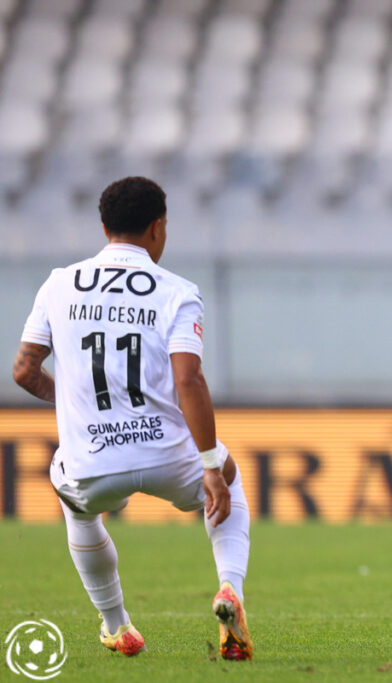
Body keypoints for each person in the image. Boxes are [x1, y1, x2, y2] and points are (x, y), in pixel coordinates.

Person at [12, 177, 254, 661]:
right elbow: (189, 380)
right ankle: (230, 589)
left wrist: (75, 403)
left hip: (92, 460)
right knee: (231, 481)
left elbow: (23, 370)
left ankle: (116, 624)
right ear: (158, 228)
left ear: (104, 227)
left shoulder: (60, 282)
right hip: (169, 453)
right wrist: (209, 465)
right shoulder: (177, 292)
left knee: (78, 511)